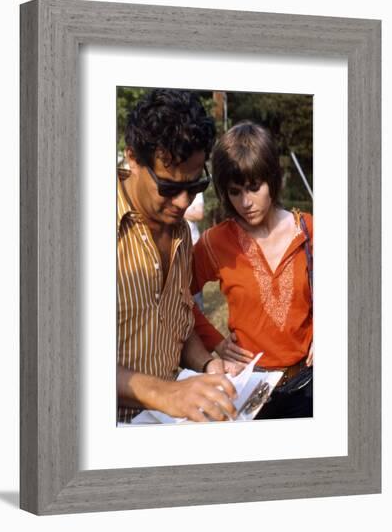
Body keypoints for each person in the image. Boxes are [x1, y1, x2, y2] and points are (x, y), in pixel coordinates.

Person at [117, 88, 238, 424]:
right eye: (170, 187)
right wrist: (164, 393)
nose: (184, 202)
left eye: (196, 187)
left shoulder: (182, 234)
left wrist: (208, 364)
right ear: (133, 159)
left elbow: (178, 326)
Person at [191, 121, 313, 419]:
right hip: (250, 391)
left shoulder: (310, 229)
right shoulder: (215, 241)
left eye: (254, 187)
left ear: (273, 179)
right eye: (234, 191)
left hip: (311, 386)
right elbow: (176, 296)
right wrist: (215, 342)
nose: (245, 202)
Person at [184, 192, 205, 310]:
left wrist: (177, 210)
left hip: (192, 245)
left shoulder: (196, 191)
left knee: (195, 292)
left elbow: (199, 214)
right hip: (172, 245)